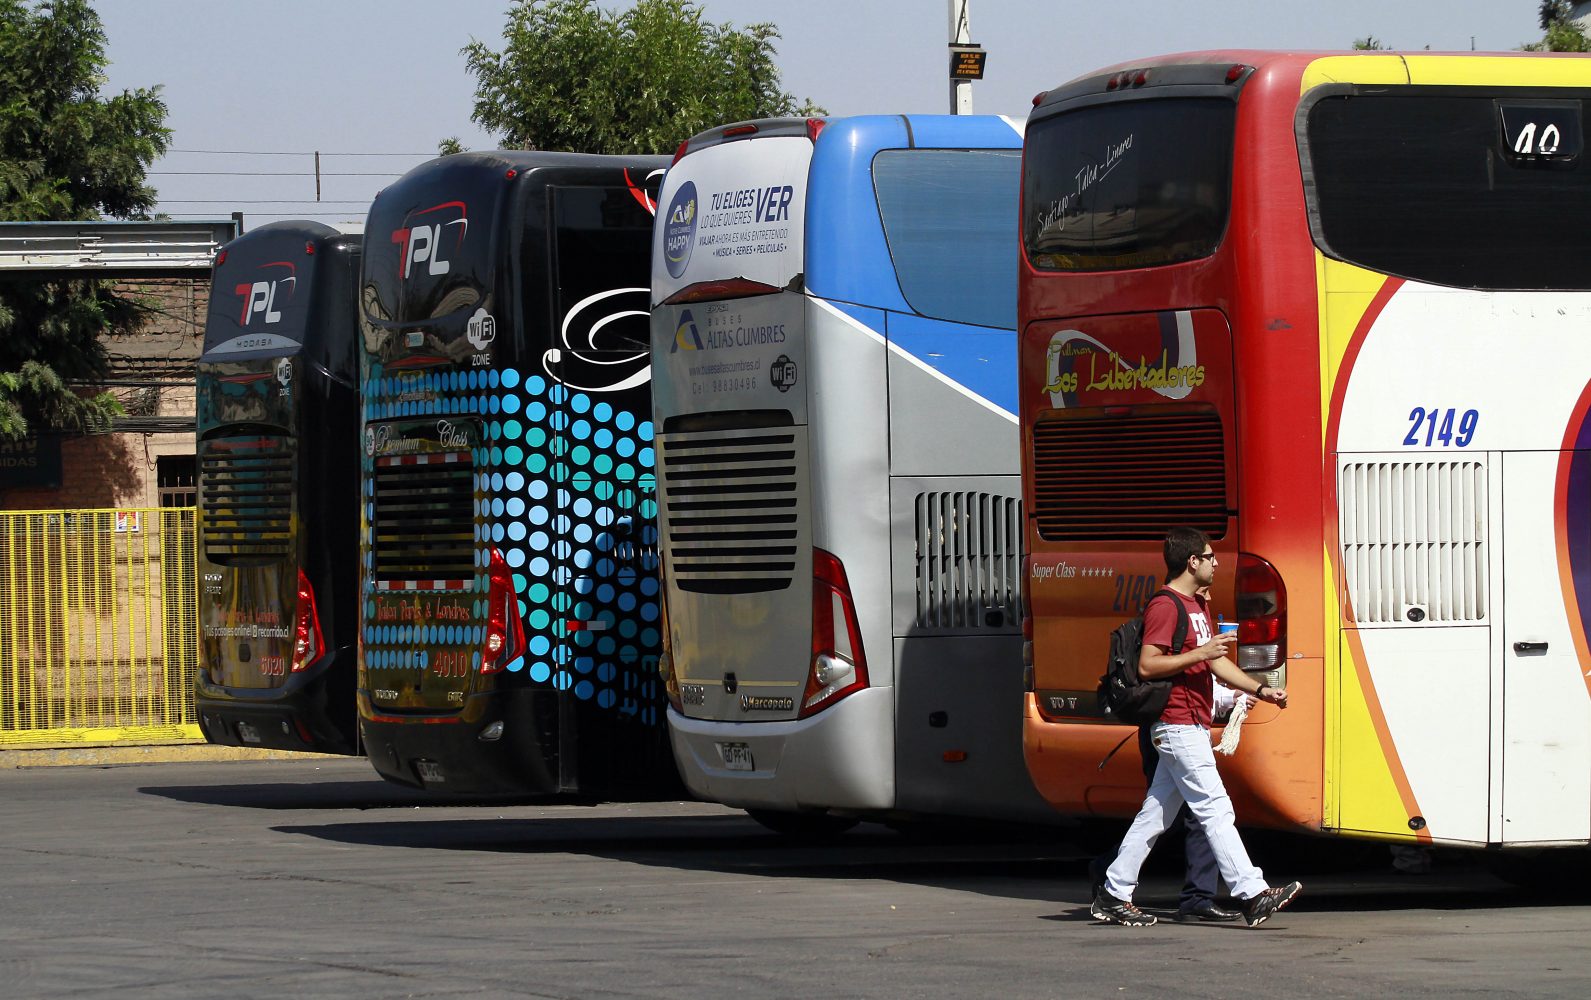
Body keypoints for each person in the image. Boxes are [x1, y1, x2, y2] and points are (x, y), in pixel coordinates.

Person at [1091, 527, 1302, 928]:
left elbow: (1215, 663)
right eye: (1209, 556)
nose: (1216, 562)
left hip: (1191, 722)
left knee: (1155, 815)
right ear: (1192, 562)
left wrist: (1260, 688)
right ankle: (1252, 893)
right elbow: (1148, 665)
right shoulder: (1166, 606)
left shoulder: (1197, 606)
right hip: (1176, 722)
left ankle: (1113, 892)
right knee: (1215, 808)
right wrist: (1201, 653)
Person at [1088, 677, 1253, 922]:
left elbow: (1198, 681)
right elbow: (1161, 671)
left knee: (1165, 814)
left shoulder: (1196, 643)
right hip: (1174, 729)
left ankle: (1196, 896)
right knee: (1197, 813)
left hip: (1184, 728)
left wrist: (1235, 695)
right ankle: (1246, 892)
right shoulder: (1172, 640)